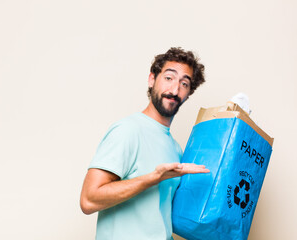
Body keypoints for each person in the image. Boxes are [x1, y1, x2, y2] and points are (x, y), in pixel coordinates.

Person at [80, 47, 210, 240]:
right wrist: (153, 178)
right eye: (168, 78)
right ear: (151, 80)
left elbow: (159, 219)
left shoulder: (176, 149)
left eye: (184, 84)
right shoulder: (127, 130)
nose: (174, 90)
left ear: (188, 94)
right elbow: (88, 200)